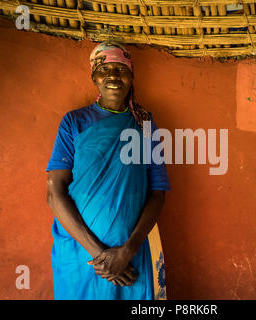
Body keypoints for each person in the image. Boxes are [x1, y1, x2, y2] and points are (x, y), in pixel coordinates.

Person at [45, 42, 170, 300]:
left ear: (131, 76)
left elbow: (158, 192)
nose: (112, 75)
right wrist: (100, 256)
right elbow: (54, 193)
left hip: (132, 258)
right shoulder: (74, 122)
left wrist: (126, 252)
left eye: (120, 69)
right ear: (94, 78)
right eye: (104, 70)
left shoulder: (145, 123)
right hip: (81, 256)